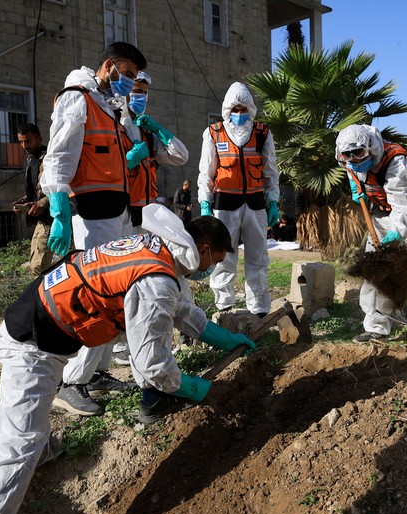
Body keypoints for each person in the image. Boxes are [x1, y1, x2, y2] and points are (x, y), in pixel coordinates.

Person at [0, 205, 256, 514]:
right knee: (17, 450)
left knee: (28, 439)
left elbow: (178, 308)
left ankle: (39, 457)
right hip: (33, 345)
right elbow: (152, 365)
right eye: (212, 262)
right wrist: (189, 387)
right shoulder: (156, 278)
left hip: (44, 330)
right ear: (202, 250)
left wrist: (223, 338)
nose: (208, 270)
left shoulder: (153, 248)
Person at [40, 42, 148, 414]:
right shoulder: (78, 99)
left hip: (114, 213)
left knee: (116, 291)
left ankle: (98, 370)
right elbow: (59, 155)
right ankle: (72, 379)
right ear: (109, 66)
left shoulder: (108, 106)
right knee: (101, 296)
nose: (131, 83)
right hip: (91, 214)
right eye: (128, 74)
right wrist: (57, 203)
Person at [335, 124, 407, 353]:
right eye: (348, 156)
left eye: (358, 154)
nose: (353, 160)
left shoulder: (396, 160)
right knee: (372, 265)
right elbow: (352, 171)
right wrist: (356, 186)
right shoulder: (347, 158)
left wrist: (395, 237)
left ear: (369, 149)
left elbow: (404, 206)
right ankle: (376, 326)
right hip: (379, 209)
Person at [197, 81, 280, 316]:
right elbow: (207, 172)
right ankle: (225, 306)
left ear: (251, 109)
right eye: (235, 109)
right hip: (224, 205)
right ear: (227, 111)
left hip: (255, 204)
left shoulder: (262, 133)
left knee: (258, 258)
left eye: (243, 109)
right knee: (223, 257)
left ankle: (260, 309)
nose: (239, 114)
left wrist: (273, 201)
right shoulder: (213, 133)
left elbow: (271, 171)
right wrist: (205, 202)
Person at [123, 71, 189, 231]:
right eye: (138, 91)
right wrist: (129, 160)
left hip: (146, 211)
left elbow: (181, 156)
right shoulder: (115, 125)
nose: (142, 97)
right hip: (122, 210)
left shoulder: (146, 131)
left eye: (145, 93)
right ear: (125, 94)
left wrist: (158, 130)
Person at [13, 123, 52, 277]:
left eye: (28, 141)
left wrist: (41, 204)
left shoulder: (49, 158)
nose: (24, 145)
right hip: (41, 219)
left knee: (39, 267)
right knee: (35, 263)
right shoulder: (32, 159)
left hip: (52, 217)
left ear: (39, 139)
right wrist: (23, 203)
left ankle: (42, 299)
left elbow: (59, 188)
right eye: (21, 142)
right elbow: (37, 191)